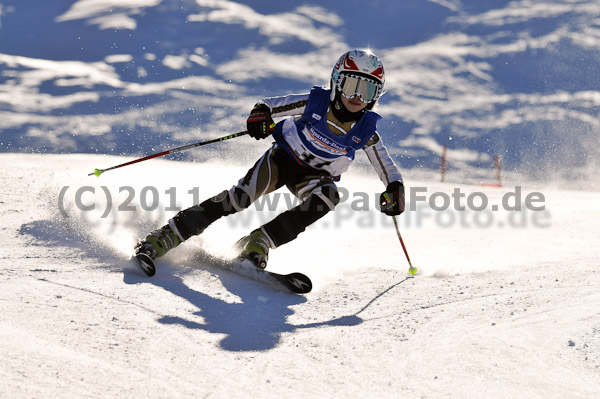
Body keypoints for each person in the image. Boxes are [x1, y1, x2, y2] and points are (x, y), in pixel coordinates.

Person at [135, 49, 405, 269]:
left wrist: (395, 189)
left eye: (367, 90)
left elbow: (386, 165)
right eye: (351, 86)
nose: (357, 97)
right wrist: (260, 116)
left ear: (376, 96)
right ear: (336, 82)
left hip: (314, 176)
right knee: (239, 198)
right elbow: (271, 106)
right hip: (284, 159)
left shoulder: (366, 130)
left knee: (328, 198)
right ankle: (168, 234)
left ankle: (259, 241)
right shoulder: (315, 103)